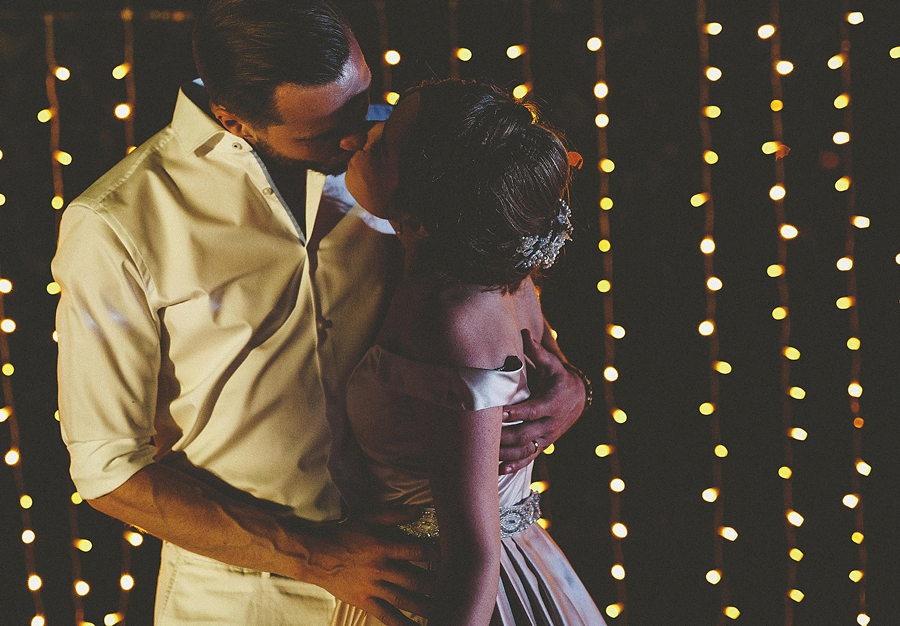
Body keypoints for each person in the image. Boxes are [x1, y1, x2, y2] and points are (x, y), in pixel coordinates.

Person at [52, 1, 588, 624]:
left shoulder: (412, 157)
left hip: (427, 590)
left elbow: (498, 289)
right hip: (244, 603)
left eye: (361, 104)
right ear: (234, 120)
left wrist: (568, 389)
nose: (356, 138)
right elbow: (108, 467)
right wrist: (315, 556)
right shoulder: (117, 224)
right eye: (322, 135)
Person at [331, 79, 605, 625]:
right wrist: (576, 386)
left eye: (381, 147)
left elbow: (473, 557)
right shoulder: (508, 270)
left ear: (417, 213)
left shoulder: (448, 317)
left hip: (445, 592)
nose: (357, 142)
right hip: (512, 557)